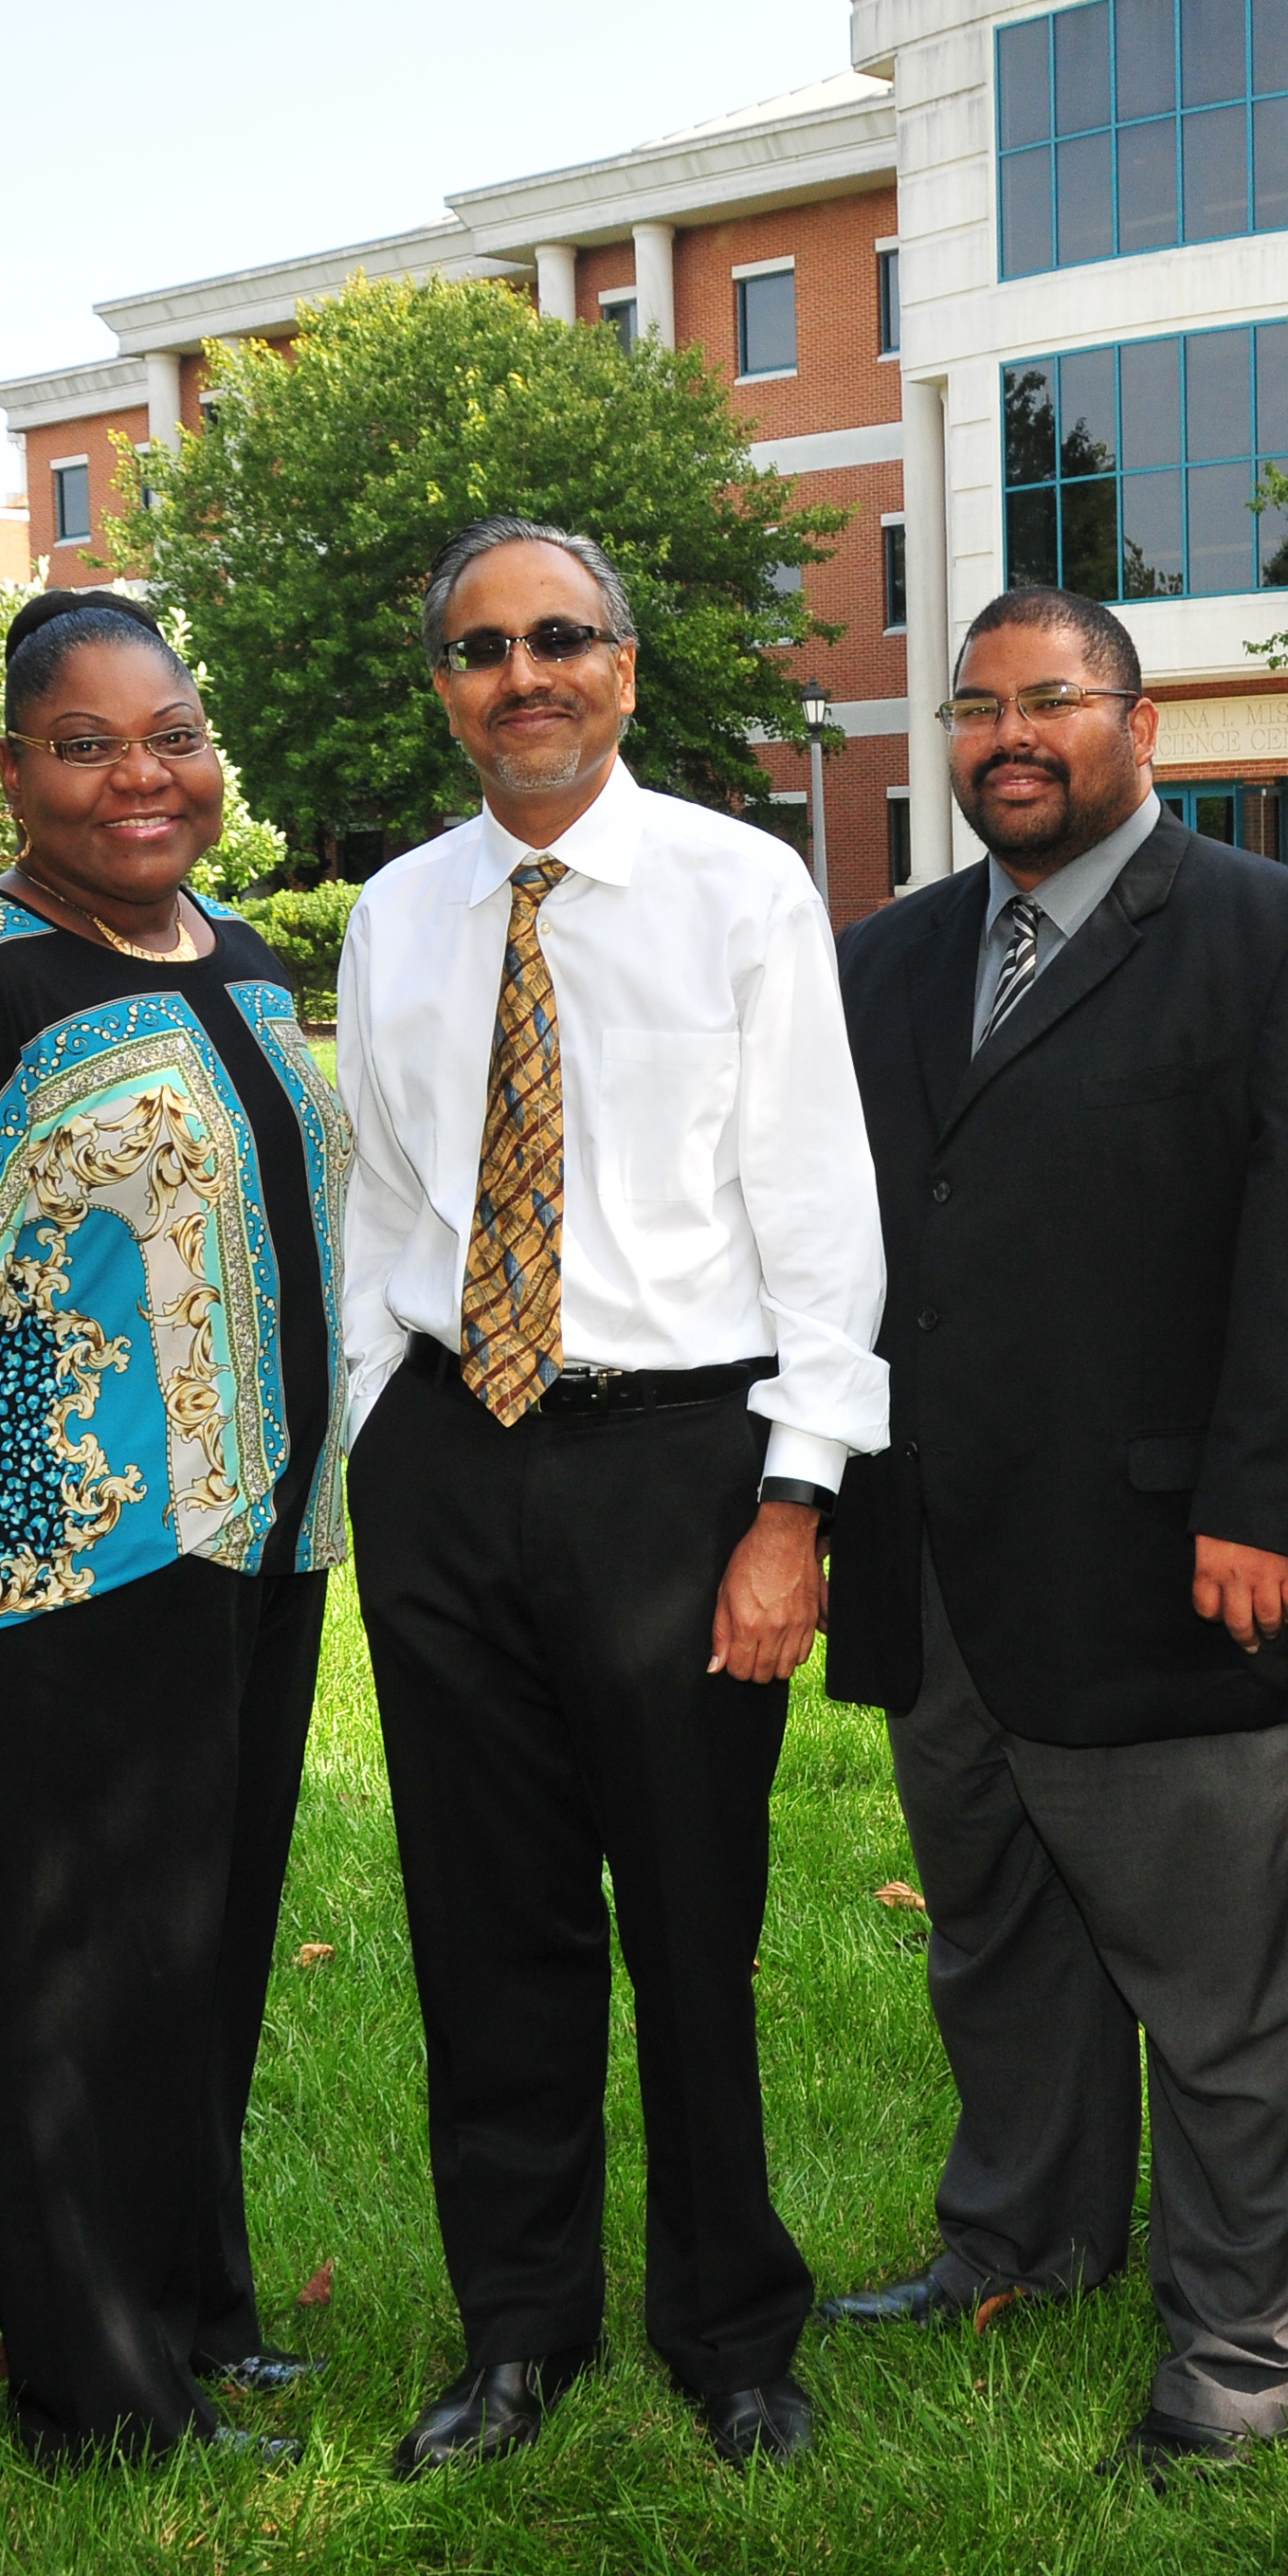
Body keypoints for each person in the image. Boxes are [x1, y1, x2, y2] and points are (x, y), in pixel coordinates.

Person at [820, 586, 1288, 2482]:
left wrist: (1268, 1505)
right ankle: (1018, 2237)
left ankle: (1250, 2346)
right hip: (941, 1571)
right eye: (974, 703)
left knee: (1230, 1987)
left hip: (1188, 1570)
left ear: (1136, 719)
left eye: (1049, 699)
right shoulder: (891, 956)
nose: (1006, 733)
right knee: (998, 1946)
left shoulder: (1283, 943)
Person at [338, 517, 886, 2477]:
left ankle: (729, 2325)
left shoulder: (740, 891)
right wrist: (366, 1441)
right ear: (446, 689)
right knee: (486, 1925)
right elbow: (383, 1202)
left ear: (625, 668)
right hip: (443, 1455)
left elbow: (818, 1208)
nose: (523, 675)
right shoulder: (399, 909)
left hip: (674, 1462)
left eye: (558, 638)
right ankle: (517, 2331)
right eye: (481, 649)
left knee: (688, 1911)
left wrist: (791, 1498)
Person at [0, 590, 347, 2462]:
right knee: (60, 1965)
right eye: (87, 741)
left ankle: (197, 2312)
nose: (141, 774)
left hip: (256, 1546)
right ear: (14, 765)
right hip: (57, 1548)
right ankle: (92, 2384)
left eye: (171, 732)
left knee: (196, 1940)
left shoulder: (242, 954)